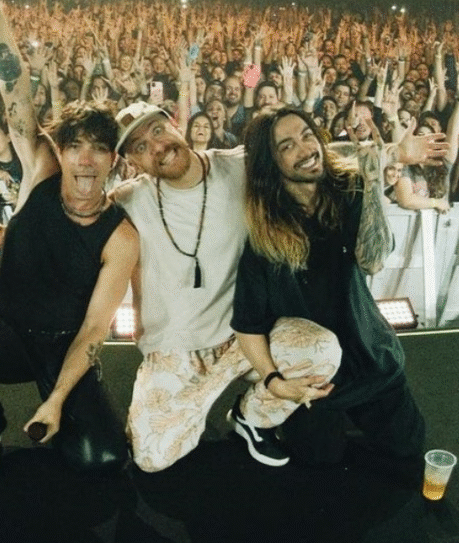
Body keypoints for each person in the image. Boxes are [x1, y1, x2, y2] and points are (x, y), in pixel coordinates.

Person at [0, 0, 138, 483]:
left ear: (113, 160)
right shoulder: (41, 171)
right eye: (75, 146)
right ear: (61, 151)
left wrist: (55, 400)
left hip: (65, 347)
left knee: (100, 460)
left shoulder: (120, 236)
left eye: (99, 149)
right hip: (7, 334)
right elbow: (13, 84)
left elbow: (95, 329)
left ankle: (64, 406)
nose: (85, 160)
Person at [112, 101, 341, 471]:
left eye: (157, 130)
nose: (156, 146)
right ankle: (198, 403)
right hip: (177, 346)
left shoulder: (239, 166)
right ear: (132, 161)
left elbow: (304, 153)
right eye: (140, 146)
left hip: (246, 336)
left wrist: (394, 153)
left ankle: (252, 417)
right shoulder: (127, 200)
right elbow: (76, 212)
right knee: (152, 457)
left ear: (175, 123)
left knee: (322, 351)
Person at [231, 108, 427, 466]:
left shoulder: (349, 190)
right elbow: (248, 324)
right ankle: (248, 410)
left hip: (369, 356)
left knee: (408, 448)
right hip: (315, 373)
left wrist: (372, 178)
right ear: (270, 164)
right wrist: (275, 383)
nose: (306, 149)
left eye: (307, 135)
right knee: (320, 461)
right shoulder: (265, 236)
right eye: (287, 146)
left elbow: (373, 260)